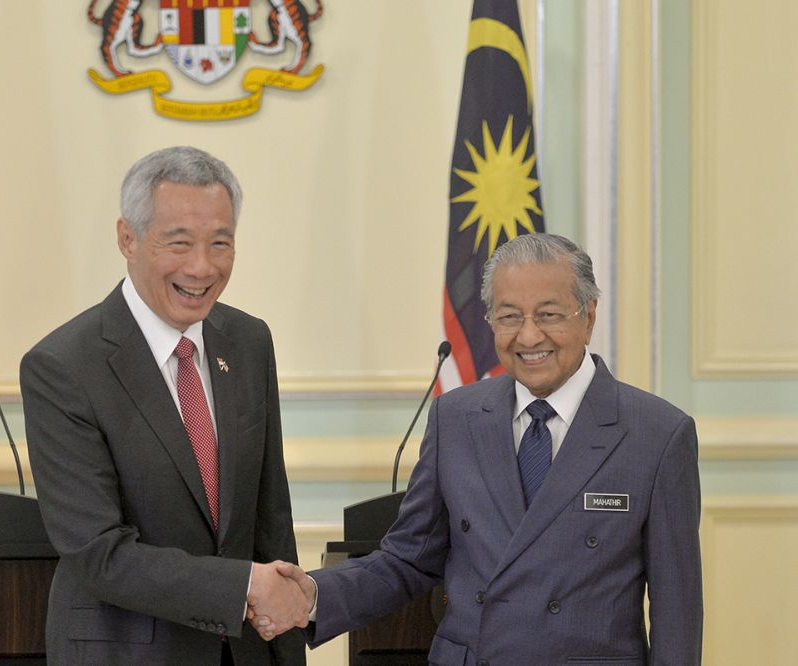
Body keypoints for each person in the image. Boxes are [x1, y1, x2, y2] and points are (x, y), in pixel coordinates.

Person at [251, 233, 702, 665]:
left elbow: (676, 613)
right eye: (509, 316)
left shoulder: (657, 435)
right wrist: (311, 595)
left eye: (548, 314)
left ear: (589, 316)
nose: (528, 337)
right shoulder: (455, 418)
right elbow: (407, 559)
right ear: (489, 322)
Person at [20, 146, 309, 665]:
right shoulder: (63, 366)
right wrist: (242, 586)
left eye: (220, 244)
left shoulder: (248, 340)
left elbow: (271, 518)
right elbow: (98, 554)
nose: (201, 267)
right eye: (179, 243)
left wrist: (286, 645)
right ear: (127, 239)